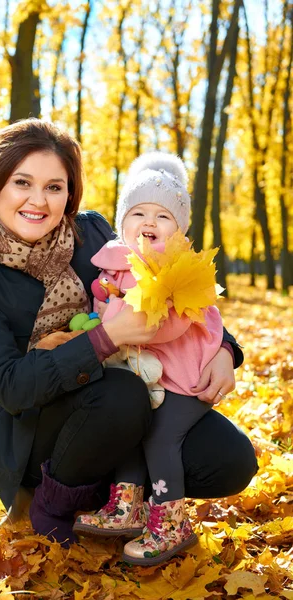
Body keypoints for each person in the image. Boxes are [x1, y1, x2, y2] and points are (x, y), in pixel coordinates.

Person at [0, 118, 257, 551]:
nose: (38, 200)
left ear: (69, 194)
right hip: (39, 430)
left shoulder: (92, 234)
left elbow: (169, 284)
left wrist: (224, 348)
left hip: (127, 408)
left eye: (54, 186)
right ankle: (52, 503)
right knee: (122, 391)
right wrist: (108, 337)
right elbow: (10, 387)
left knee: (231, 459)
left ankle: (123, 499)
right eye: (22, 183)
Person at [73, 152, 241, 566]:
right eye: (138, 213)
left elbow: (168, 328)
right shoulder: (120, 261)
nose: (149, 222)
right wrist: (102, 301)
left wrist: (113, 318)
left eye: (163, 216)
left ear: (180, 229)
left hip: (187, 372)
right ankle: (125, 505)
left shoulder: (177, 269)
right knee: (133, 423)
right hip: (145, 371)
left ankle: (170, 521)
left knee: (161, 434)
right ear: (122, 222)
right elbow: (104, 298)